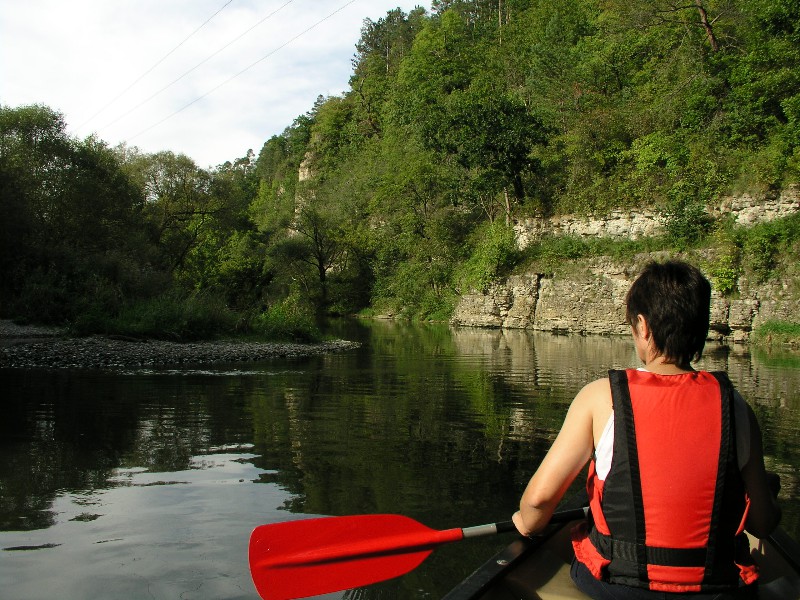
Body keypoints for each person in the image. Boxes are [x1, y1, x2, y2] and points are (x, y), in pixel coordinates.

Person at [512, 260, 781, 599]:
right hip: (717, 589)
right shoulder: (737, 406)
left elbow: (538, 501)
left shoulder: (601, 397)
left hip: (617, 587)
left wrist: (525, 523)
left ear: (642, 325)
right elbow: (761, 523)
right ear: (701, 327)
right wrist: (769, 497)